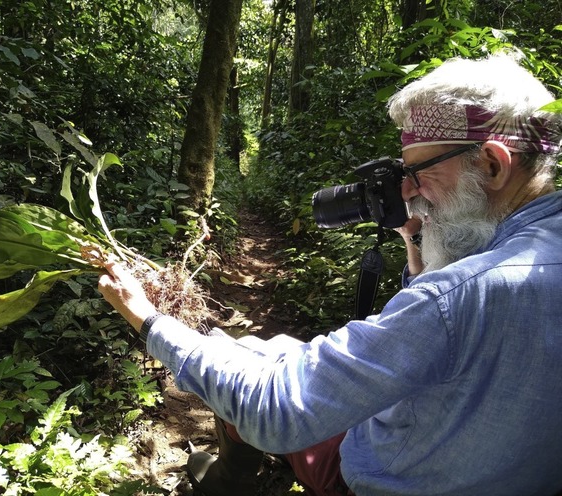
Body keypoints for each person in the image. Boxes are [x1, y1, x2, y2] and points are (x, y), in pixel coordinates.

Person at [98, 53, 562, 496]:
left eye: (418, 172)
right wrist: (418, 250)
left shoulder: (458, 297)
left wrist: (147, 318)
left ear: (492, 165)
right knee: (269, 349)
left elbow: (277, 408)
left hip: (390, 478)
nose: (408, 191)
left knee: (238, 367)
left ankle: (226, 484)